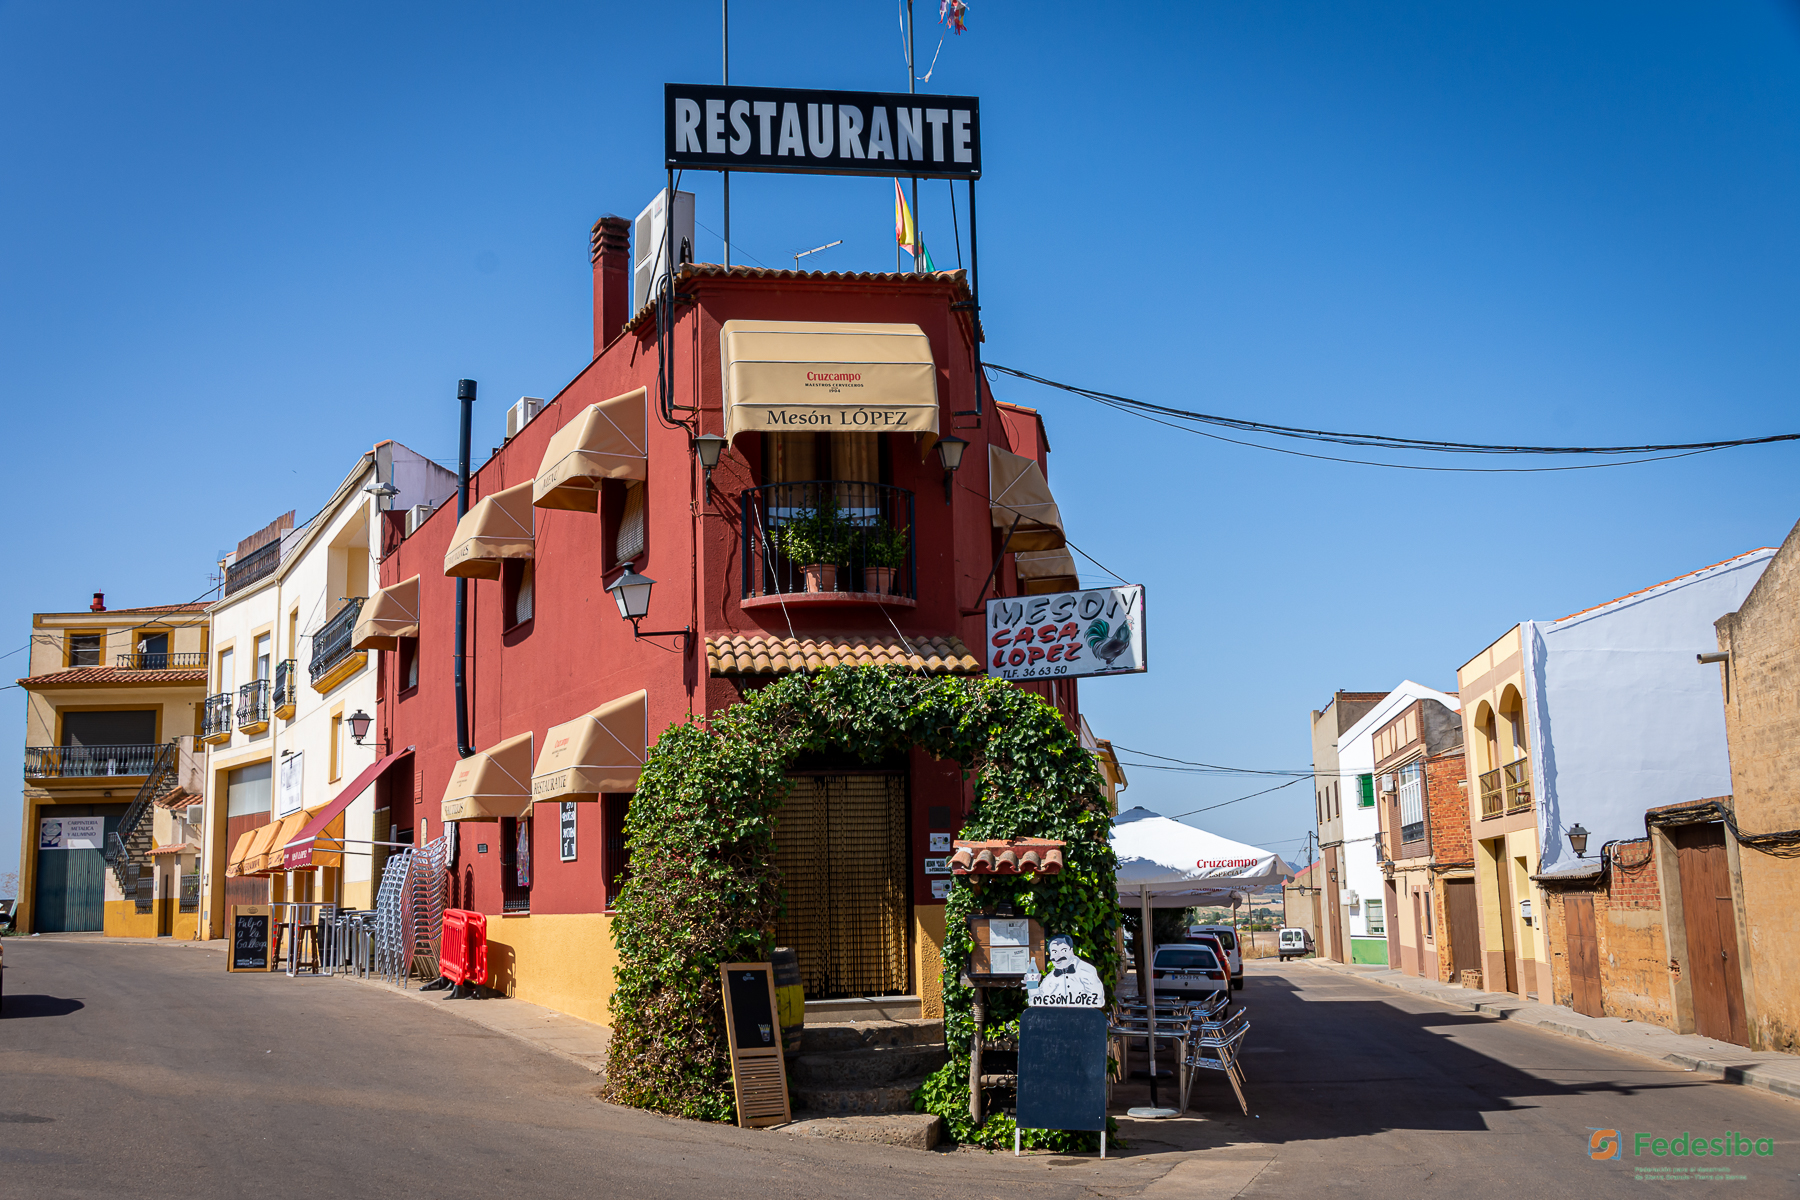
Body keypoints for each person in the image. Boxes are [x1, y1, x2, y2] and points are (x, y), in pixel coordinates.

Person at [1030, 934, 1104, 1007]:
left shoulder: (1086, 970)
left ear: (1071, 951)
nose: (1058, 956)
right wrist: (1032, 985)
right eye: (1054, 952)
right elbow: (1037, 1002)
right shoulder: (1049, 979)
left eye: (1063, 950)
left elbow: (1098, 999)